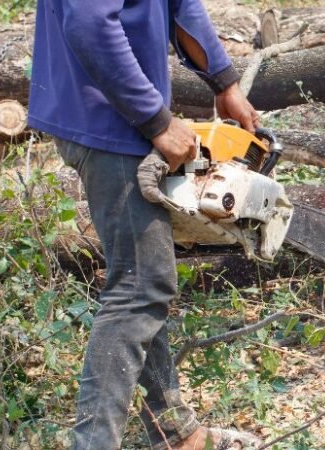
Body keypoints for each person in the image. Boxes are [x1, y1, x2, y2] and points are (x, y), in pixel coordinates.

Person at [27, 0, 261, 448]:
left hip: (110, 116)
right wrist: (155, 120)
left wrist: (224, 81)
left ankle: (175, 431)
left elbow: (180, 4)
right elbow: (91, 21)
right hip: (107, 119)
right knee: (140, 287)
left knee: (142, 274)